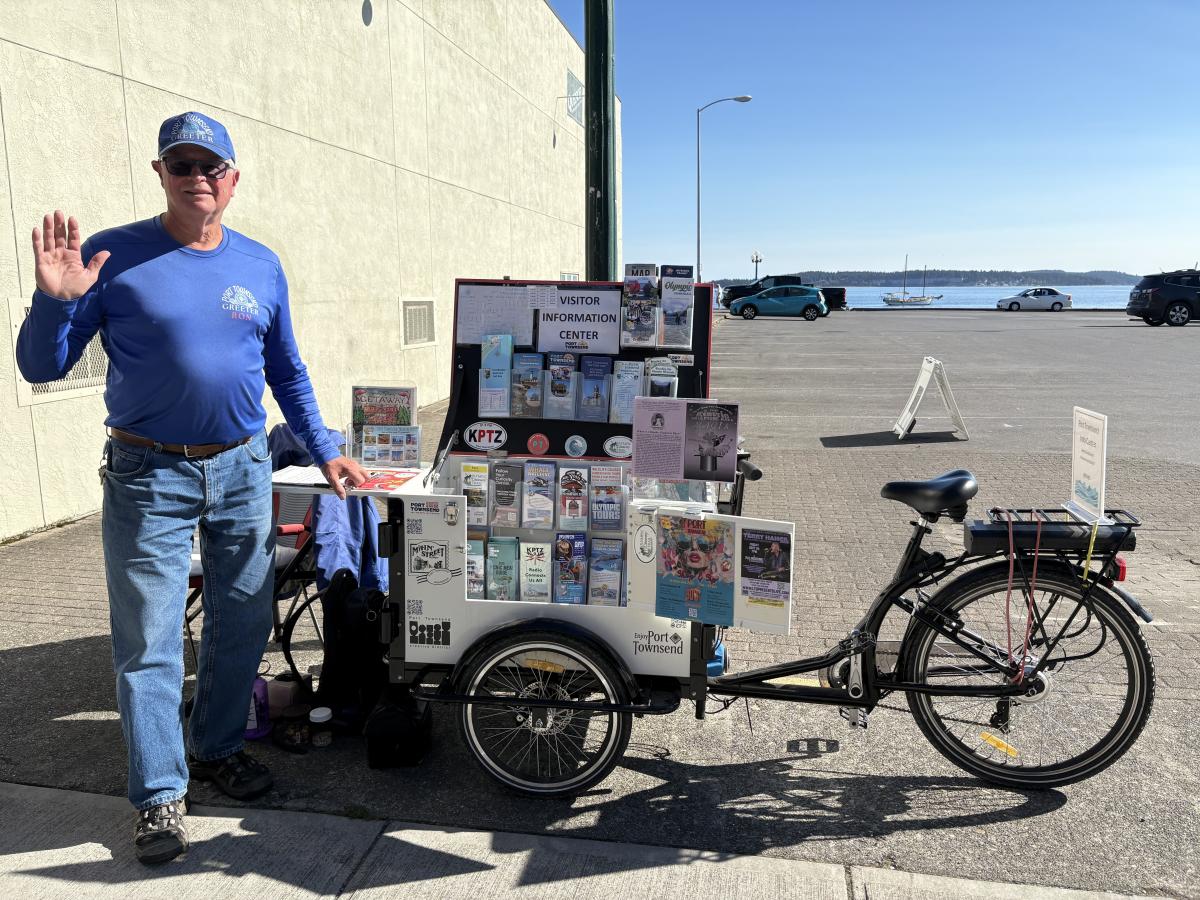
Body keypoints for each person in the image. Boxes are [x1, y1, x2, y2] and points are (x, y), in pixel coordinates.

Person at [16, 111, 368, 865]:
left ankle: (216, 749)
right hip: (148, 473)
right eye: (182, 165)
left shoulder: (261, 264)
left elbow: (287, 372)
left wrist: (326, 451)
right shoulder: (112, 255)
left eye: (211, 167)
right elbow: (42, 367)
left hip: (243, 467)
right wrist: (55, 301)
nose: (197, 178)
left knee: (242, 621)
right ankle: (158, 796)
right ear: (161, 175)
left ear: (232, 180)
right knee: (149, 640)